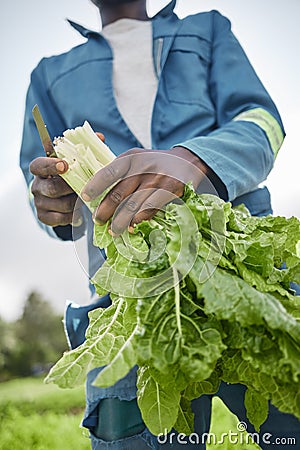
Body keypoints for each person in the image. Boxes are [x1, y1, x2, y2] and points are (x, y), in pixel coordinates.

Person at [20, 0, 299, 449]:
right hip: (130, 299)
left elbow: (263, 123)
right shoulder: (48, 75)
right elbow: (39, 185)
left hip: (243, 264)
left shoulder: (207, 31)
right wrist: (51, 203)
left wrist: (194, 161)